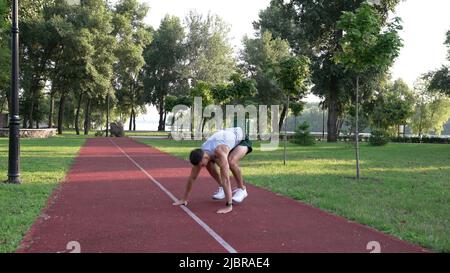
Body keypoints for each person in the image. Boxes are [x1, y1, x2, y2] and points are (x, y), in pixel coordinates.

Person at [173, 127, 253, 214]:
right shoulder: (202, 153)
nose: (201, 167)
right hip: (227, 138)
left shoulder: (220, 151)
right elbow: (192, 178)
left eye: (201, 165)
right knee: (209, 164)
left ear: (204, 157)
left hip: (242, 139)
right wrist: (184, 199)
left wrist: (229, 205)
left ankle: (242, 189)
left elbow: (226, 179)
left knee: (231, 161)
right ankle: (222, 187)